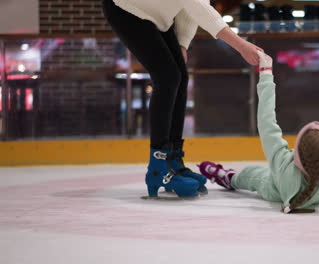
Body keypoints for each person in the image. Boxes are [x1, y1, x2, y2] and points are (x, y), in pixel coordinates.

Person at [102, 0, 263, 198]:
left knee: (179, 76)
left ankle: (173, 161)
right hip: (128, 8)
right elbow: (197, 5)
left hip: (157, 15)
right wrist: (240, 45)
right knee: (167, 77)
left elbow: (193, 6)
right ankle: (158, 167)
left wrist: (182, 43)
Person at [199, 51, 319, 213]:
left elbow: (267, 122)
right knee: (260, 173)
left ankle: (230, 178)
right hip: (310, 192)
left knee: (254, 175)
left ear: (298, 155)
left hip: (276, 189)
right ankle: (230, 177)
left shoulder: (285, 166)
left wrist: (265, 75)